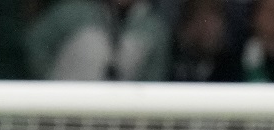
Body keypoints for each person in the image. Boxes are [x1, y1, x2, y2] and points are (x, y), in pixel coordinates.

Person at [25, 0, 171, 81]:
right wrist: (51, 83)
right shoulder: (72, 11)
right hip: (60, 108)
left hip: (116, 119)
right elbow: (34, 47)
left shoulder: (153, 29)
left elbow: (153, 79)